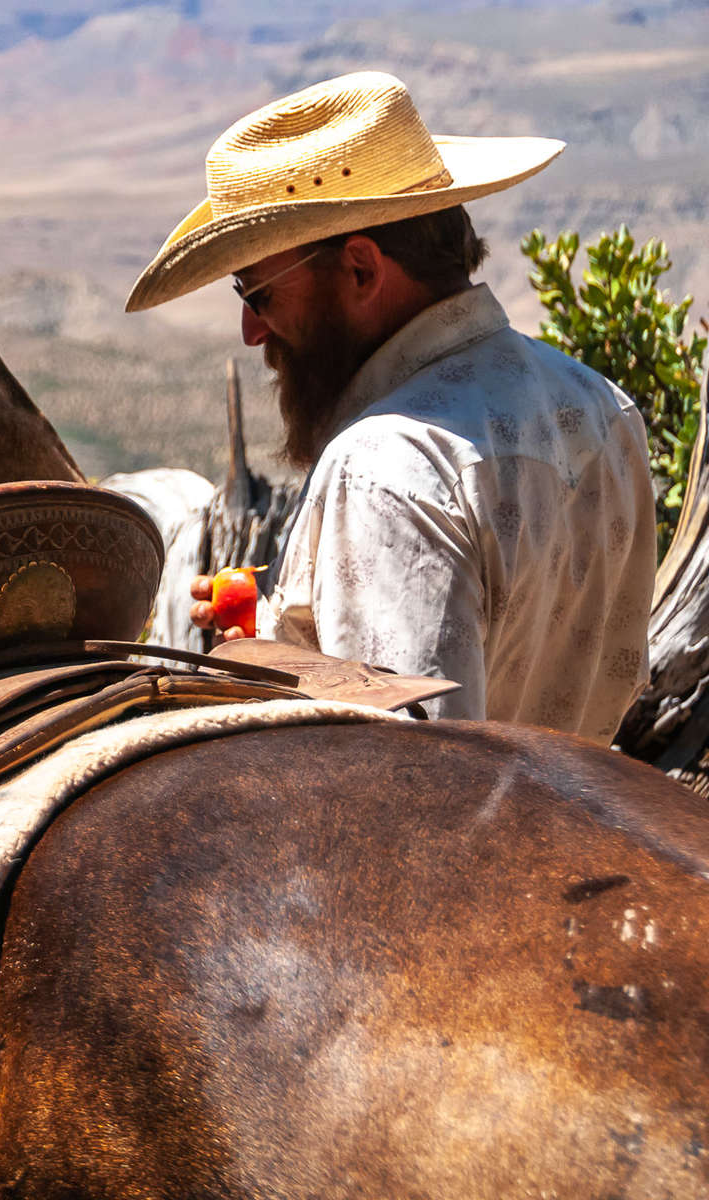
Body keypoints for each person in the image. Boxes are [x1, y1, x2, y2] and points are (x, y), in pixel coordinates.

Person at [124, 71, 655, 744]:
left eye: (258, 295)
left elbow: (397, 777)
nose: (252, 332)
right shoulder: (603, 406)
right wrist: (273, 639)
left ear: (361, 270)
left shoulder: (384, 469)